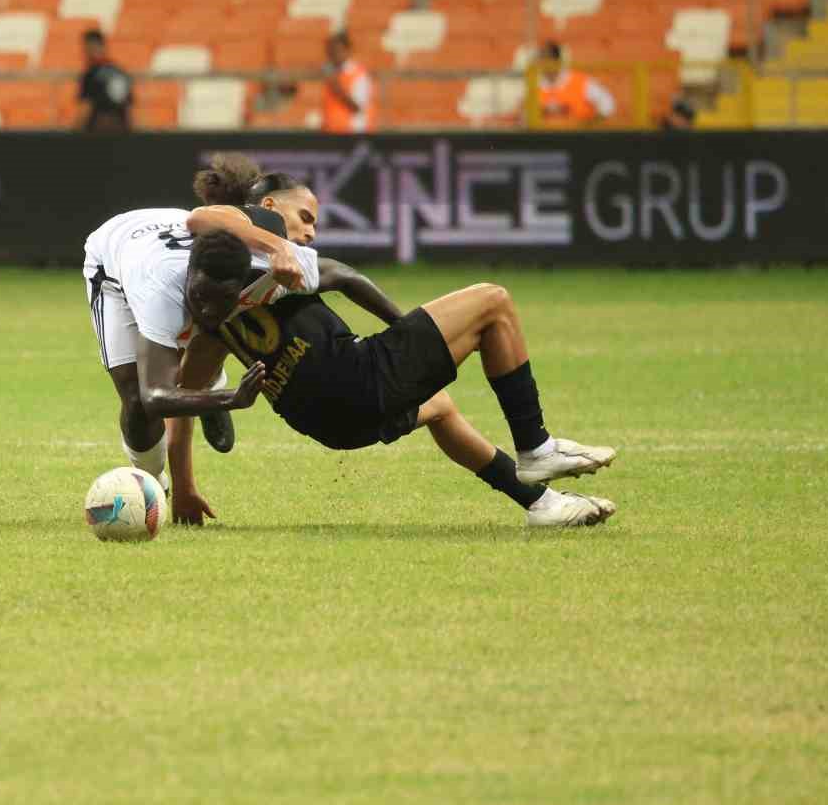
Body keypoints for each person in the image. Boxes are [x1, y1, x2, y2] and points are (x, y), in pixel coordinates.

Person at [165, 155, 618, 528]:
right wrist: (408, 333)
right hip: (357, 381)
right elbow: (342, 274)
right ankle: (536, 448)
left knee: (440, 407)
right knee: (493, 303)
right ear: (266, 205)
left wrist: (184, 484)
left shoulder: (214, 310)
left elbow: (185, 394)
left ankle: (541, 504)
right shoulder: (269, 237)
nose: (310, 232)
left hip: (329, 426)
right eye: (304, 217)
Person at [82, 203, 315, 509]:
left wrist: (397, 326)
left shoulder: (281, 271)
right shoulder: (160, 290)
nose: (208, 308)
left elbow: (345, 278)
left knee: (210, 323)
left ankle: (208, 384)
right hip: (114, 261)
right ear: (190, 273)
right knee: (137, 402)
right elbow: (154, 396)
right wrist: (231, 399)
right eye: (201, 296)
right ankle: (151, 486)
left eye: (223, 298)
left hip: (169, 248)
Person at [536, 40, 617, 127]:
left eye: (546, 58)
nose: (543, 63)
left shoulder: (581, 81)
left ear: (557, 60)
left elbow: (608, 104)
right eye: (541, 59)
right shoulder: (533, 85)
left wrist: (592, 125)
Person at [75, 29, 133, 132]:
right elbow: (129, 109)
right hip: (120, 129)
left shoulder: (91, 73)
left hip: (99, 131)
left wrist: (75, 133)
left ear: (90, 47)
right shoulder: (120, 72)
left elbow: (86, 108)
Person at [320, 30, 374, 133]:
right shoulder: (330, 71)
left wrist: (337, 88)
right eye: (330, 50)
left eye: (336, 50)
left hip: (352, 134)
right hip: (331, 132)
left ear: (347, 50)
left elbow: (357, 107)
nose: (333, 54)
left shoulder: (359, 75)